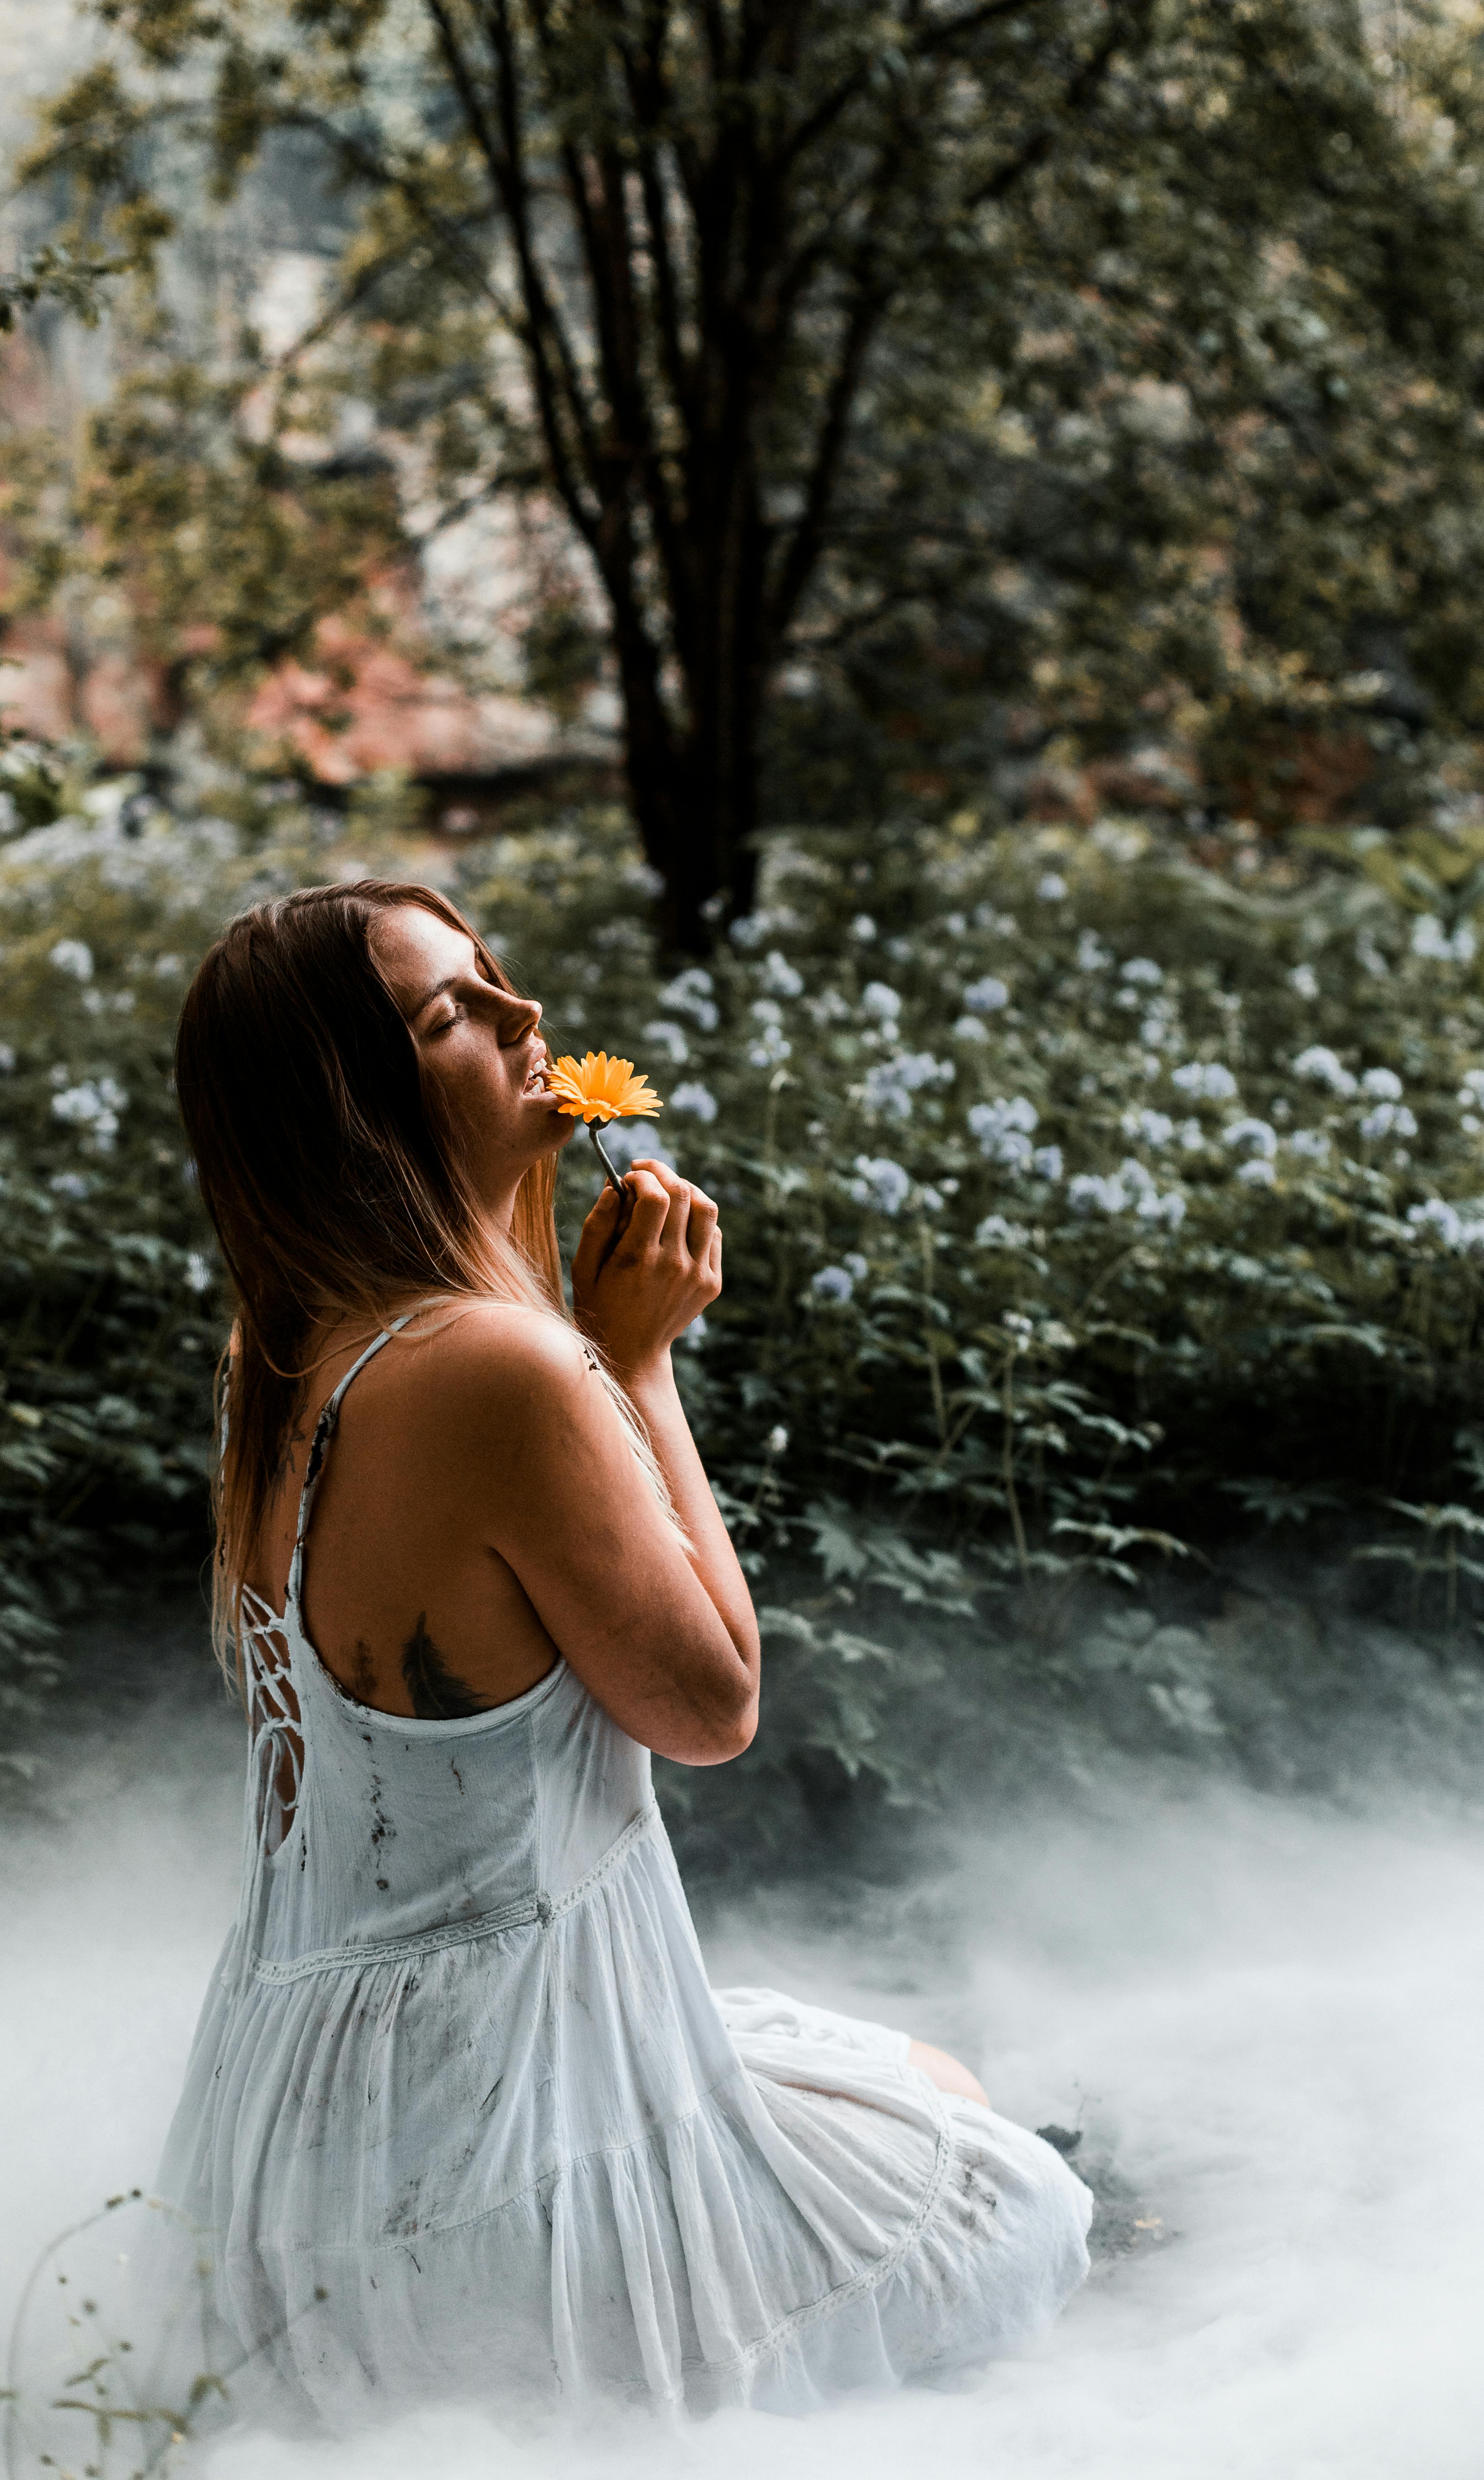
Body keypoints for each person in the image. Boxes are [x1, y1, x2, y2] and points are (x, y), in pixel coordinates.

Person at [159, 876, 1091, 2427]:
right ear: (347, 1103)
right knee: (1013, 2201)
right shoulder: (497, 1368)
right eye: (453, 1014)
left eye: (495, 982)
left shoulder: (288, 1356)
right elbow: (712, 1703)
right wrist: (638, 1365)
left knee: (908, 2077)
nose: (529, 1022)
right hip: (480, 2184)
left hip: (279, 2157)